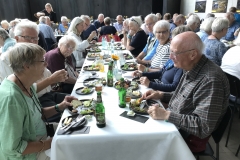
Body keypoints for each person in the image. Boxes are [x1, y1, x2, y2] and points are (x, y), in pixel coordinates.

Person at [143, 31, 229, 153]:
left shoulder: (211, 80)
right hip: (175, 123)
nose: (170, 57)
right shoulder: (191, 66)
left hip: (188, 137)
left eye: (175, 53)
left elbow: (203, 126)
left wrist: (166, 115)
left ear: (193, 54)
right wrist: (161, 95)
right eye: (170, 51)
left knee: (142, 142)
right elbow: (185, 96)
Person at [0, 43, 77, 160]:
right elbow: (13, 148)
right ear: (26, 66)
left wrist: (60, 107)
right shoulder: (11, 99)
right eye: (42, 61)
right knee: (75, 150)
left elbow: (36, 115)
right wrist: (50, 143)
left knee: (79, 129)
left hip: (42, 134)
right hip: (30, 154)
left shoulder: (24, 83)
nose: (46, 64)